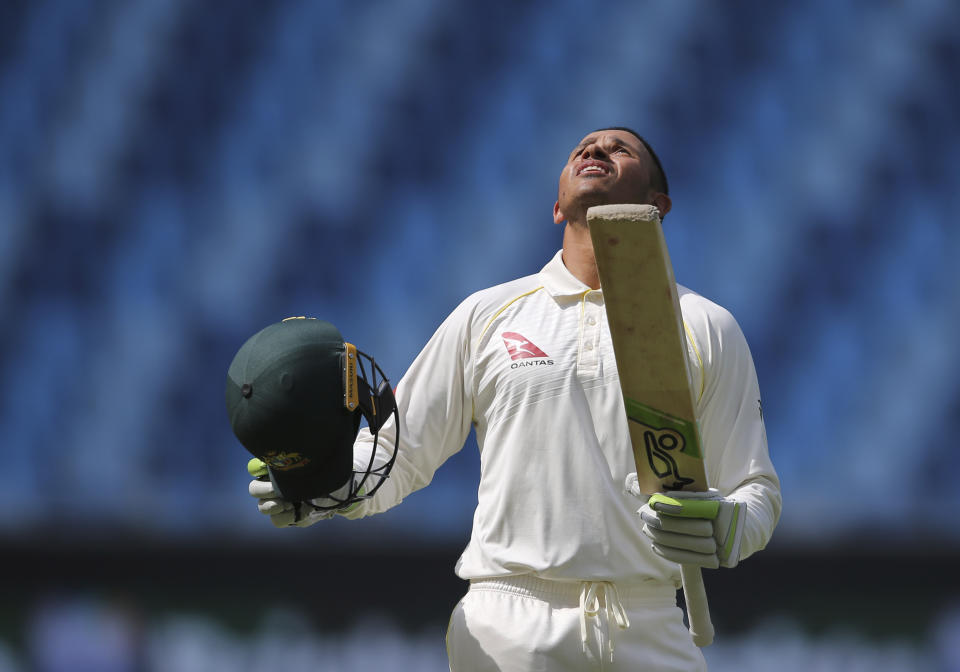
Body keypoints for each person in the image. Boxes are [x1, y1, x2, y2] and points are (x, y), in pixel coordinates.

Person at [250, 128, 781, 671]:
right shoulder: (489, 315)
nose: (593, 151)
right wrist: (323, 484)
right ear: (556, 208)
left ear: (656, 205)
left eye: (620, 149)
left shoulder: (705, 326)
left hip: (648, 621)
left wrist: (729, 525)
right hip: (509, 622)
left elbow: (754, 489)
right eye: (582, 148)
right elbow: (400, 453)